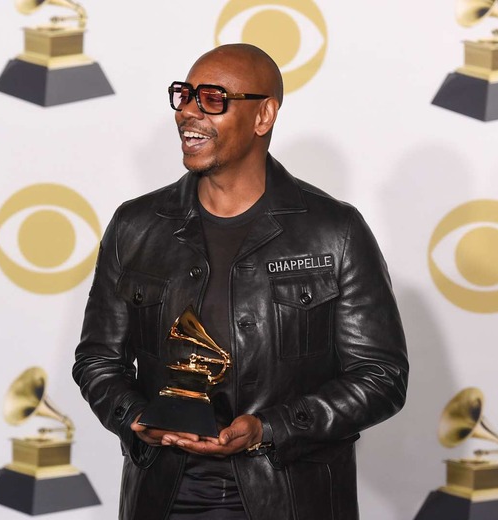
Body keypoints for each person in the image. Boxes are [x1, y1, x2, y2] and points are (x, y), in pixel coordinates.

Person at [73, 43, 408, 520]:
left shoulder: (336, 232)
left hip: (291, 499)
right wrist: (135, 416)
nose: (188, 112)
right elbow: (97, 359)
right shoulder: (135, 226)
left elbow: (381, 377)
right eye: (184, 95)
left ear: (263, 116)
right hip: (163, 495)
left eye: (212, 99)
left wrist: (271, 428)